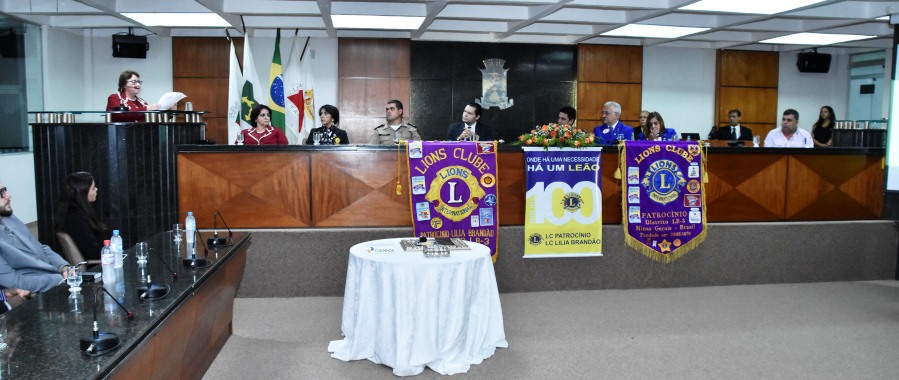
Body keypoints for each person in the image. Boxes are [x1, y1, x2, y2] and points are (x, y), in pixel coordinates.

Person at [0, 183, 70, 293]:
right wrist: (59, 279)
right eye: (1, 193)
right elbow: (14, 283)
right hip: (38, 295)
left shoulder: (10, 218)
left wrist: (63, 267)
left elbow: (41, 249)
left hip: (59, 281)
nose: (8, 195)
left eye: (5, 190)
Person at [53, 172, 108, 261]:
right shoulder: (75, 220)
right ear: (82, 193)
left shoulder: (78, 213)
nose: (96, 189)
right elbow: (94, 252)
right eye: (93, 188)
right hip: (98, 265)